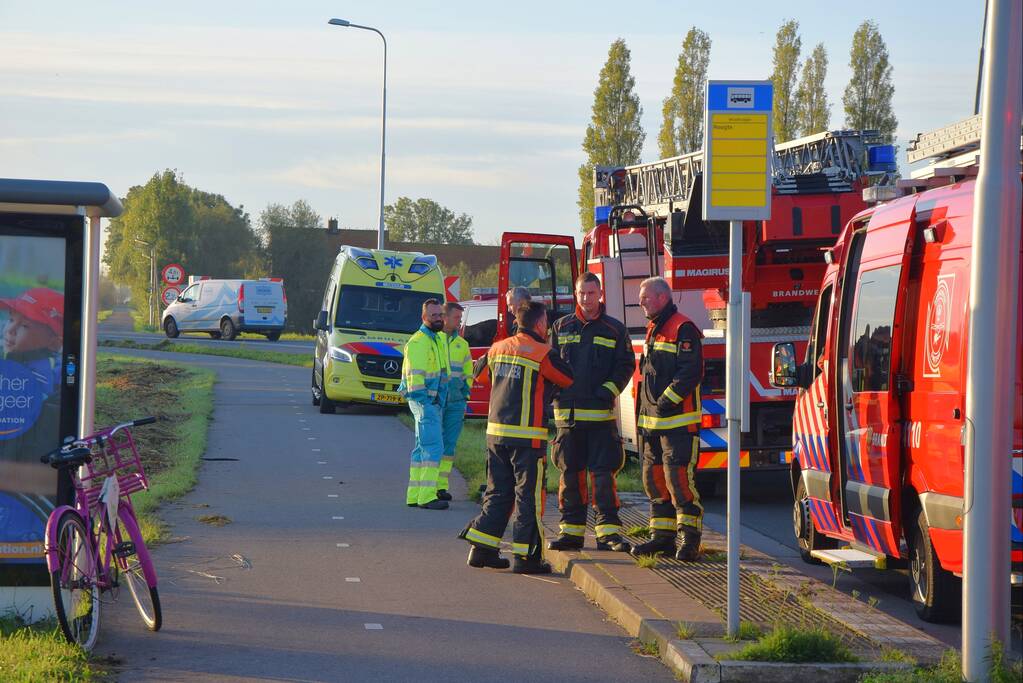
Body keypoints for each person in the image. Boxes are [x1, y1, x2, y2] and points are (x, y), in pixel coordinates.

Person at [460, 301, 573, 574]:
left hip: (496, 434)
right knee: (528, 498)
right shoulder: (542, 353)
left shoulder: (498, 347)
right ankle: (527, 557)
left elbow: (480, 375)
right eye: (546, 323)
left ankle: (481, 549)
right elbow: (567, 378)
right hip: (527, 438)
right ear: (540, 324)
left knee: (498, 492)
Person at [547, 272, 635, 553]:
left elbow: (626, 365)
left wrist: (607, 391)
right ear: (575, 294)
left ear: (600, 294)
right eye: (581, 293)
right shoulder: (560, 326)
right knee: (570, 477)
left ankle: (608, 534)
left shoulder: (615, 329)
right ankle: (571, 534)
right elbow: (549, 364)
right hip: (567, 419)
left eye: (591, 293)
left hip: (600, 419)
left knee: (603, 477)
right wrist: (556, 394)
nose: (586, 298)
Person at [630, 277, 705, 562]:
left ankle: (689, 540)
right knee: (654, 480)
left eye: (646, 297)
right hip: (652, 425)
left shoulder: (682, 328)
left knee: (679, 481)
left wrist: (664, 402)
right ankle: (662, 537)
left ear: (662, 297)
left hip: (678, 424)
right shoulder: (655, 327)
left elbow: (690, 372)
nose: (641, 302)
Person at [399, 299, 450, 510]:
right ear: (423, 317)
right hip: (424, 402)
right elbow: (415, 378)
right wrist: (427, 403)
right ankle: (427, 497)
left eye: (440, 315)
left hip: (429, 402)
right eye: (433, 315)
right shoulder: (419, 342)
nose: (438, 318)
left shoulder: (435, 339)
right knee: (433, 448)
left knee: (421, 449)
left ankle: (414, 495)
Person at [438, 301, 472, 501]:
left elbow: (468, 374)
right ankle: (429, 486)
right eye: (457, 317)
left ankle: (441, 486)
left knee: (449, 446)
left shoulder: (462, 344)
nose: (460, 321)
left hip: (456, 403)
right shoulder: (434, 340)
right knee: (435, 443)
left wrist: (464, 395)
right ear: (445, 317)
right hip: (436, 401)